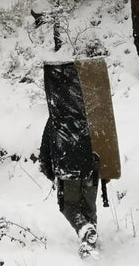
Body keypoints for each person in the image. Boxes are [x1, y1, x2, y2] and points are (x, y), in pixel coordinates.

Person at [38, 61, 100, 259]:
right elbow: (104, 138)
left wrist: (48, 170)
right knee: (89, 206)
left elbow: (46, 147)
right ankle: (89, 242)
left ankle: (85, 230)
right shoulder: (89, 112)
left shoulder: (56, 118)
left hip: (68, 169)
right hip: (91, 167)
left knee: (68, 206)